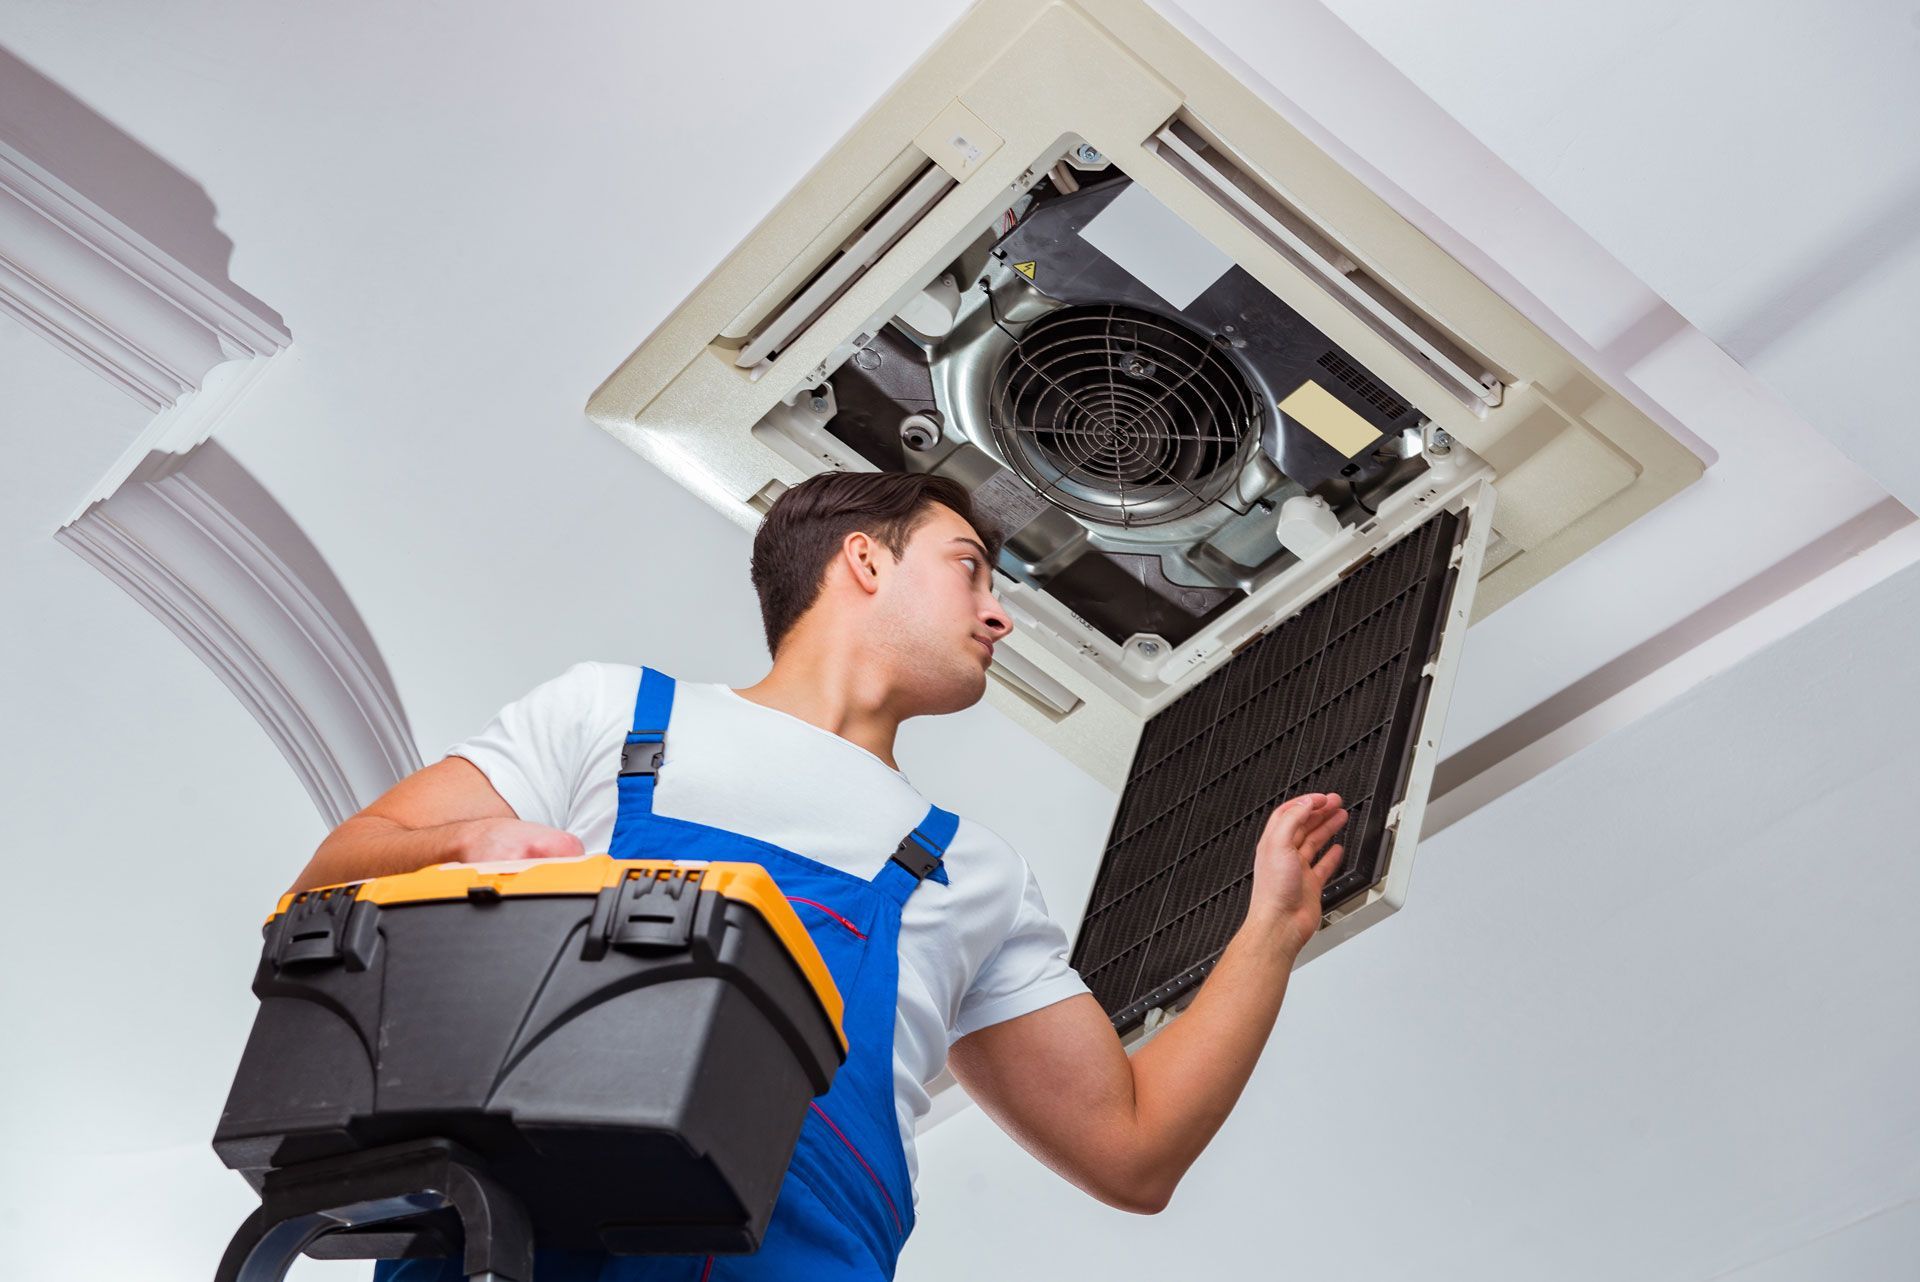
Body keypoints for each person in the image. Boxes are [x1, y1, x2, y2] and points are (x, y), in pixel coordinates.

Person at [291, 469, 1349, 1281]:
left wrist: (1270, 934)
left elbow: (1132, 1151)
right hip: (515, 1236)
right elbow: (326, 879)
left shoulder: (969, 870)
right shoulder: (616, 717)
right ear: (864, 561)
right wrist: (469, 846)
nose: (1000, 613)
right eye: (969, 565)